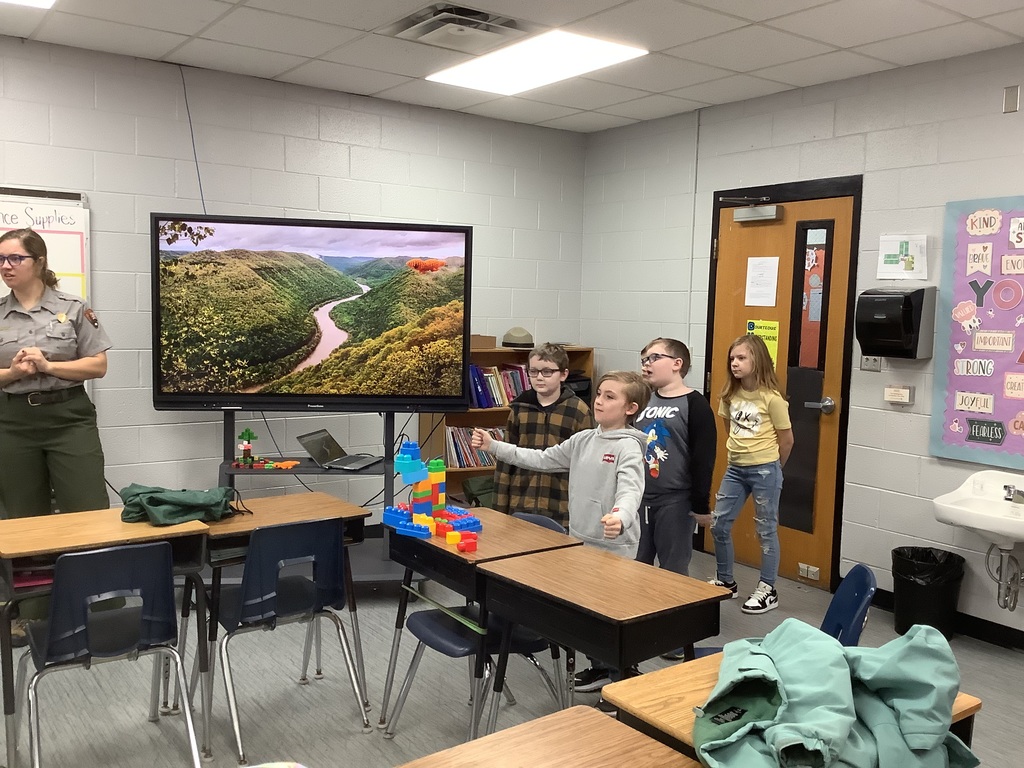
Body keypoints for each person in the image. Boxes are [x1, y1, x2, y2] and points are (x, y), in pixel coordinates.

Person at [473, 370, 649, 713]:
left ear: (630, 408)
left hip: (615, 547)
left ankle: (623, 682)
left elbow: (631, 490)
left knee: (612, 619)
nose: (599, 401)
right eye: (599, 394)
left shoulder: (628, 447)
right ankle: (601, 668)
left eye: (610, 396)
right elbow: (540, 459)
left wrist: (621, 516)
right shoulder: (583, 440)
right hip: (580, 541)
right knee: (586, 615)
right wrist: (494, 446)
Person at [0, 228, 112, 643]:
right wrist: (13, 373)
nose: (6, 266)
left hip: (69, 418)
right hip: (13, 422)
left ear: (39, 262)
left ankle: (99, 607)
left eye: (15, 258)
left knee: (88, 509)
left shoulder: (73, 308)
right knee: (25, 519)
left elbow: (97, 366)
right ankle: (33, 614)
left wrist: (49, 366)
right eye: (1, 259)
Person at [698, 334, 793, 615]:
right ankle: (726, 581)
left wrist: (773, 468)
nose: (735, 363)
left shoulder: (772, 399)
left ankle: (768, 589)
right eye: (732, 358)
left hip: (765, 469)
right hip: (736, 469)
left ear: (757, 360)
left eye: (741, 358)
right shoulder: (729, 395)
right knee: (719, 524)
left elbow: (787, 440)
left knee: (765, 530)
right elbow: (729, 429)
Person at [636, 338, 717, 661]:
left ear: (677, 363)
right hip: (639, 498)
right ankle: (637, 629)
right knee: (636, 564)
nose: (646, 364)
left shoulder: (694, 403)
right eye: (643, 358)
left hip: (676, 499)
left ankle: (673, 637)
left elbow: (703, 457)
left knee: (672, 569)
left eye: (653, 357)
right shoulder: (641, 399)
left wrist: (700, 505)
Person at [493, 342, 593, 527]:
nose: (539, 377)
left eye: (547, 372)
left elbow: (585, 465)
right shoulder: (520, 408)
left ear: (563, 374)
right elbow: (505, 461)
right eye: (533, 371)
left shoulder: (578, 411)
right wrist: (499, 512)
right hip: (521, 502)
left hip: (561, 505)